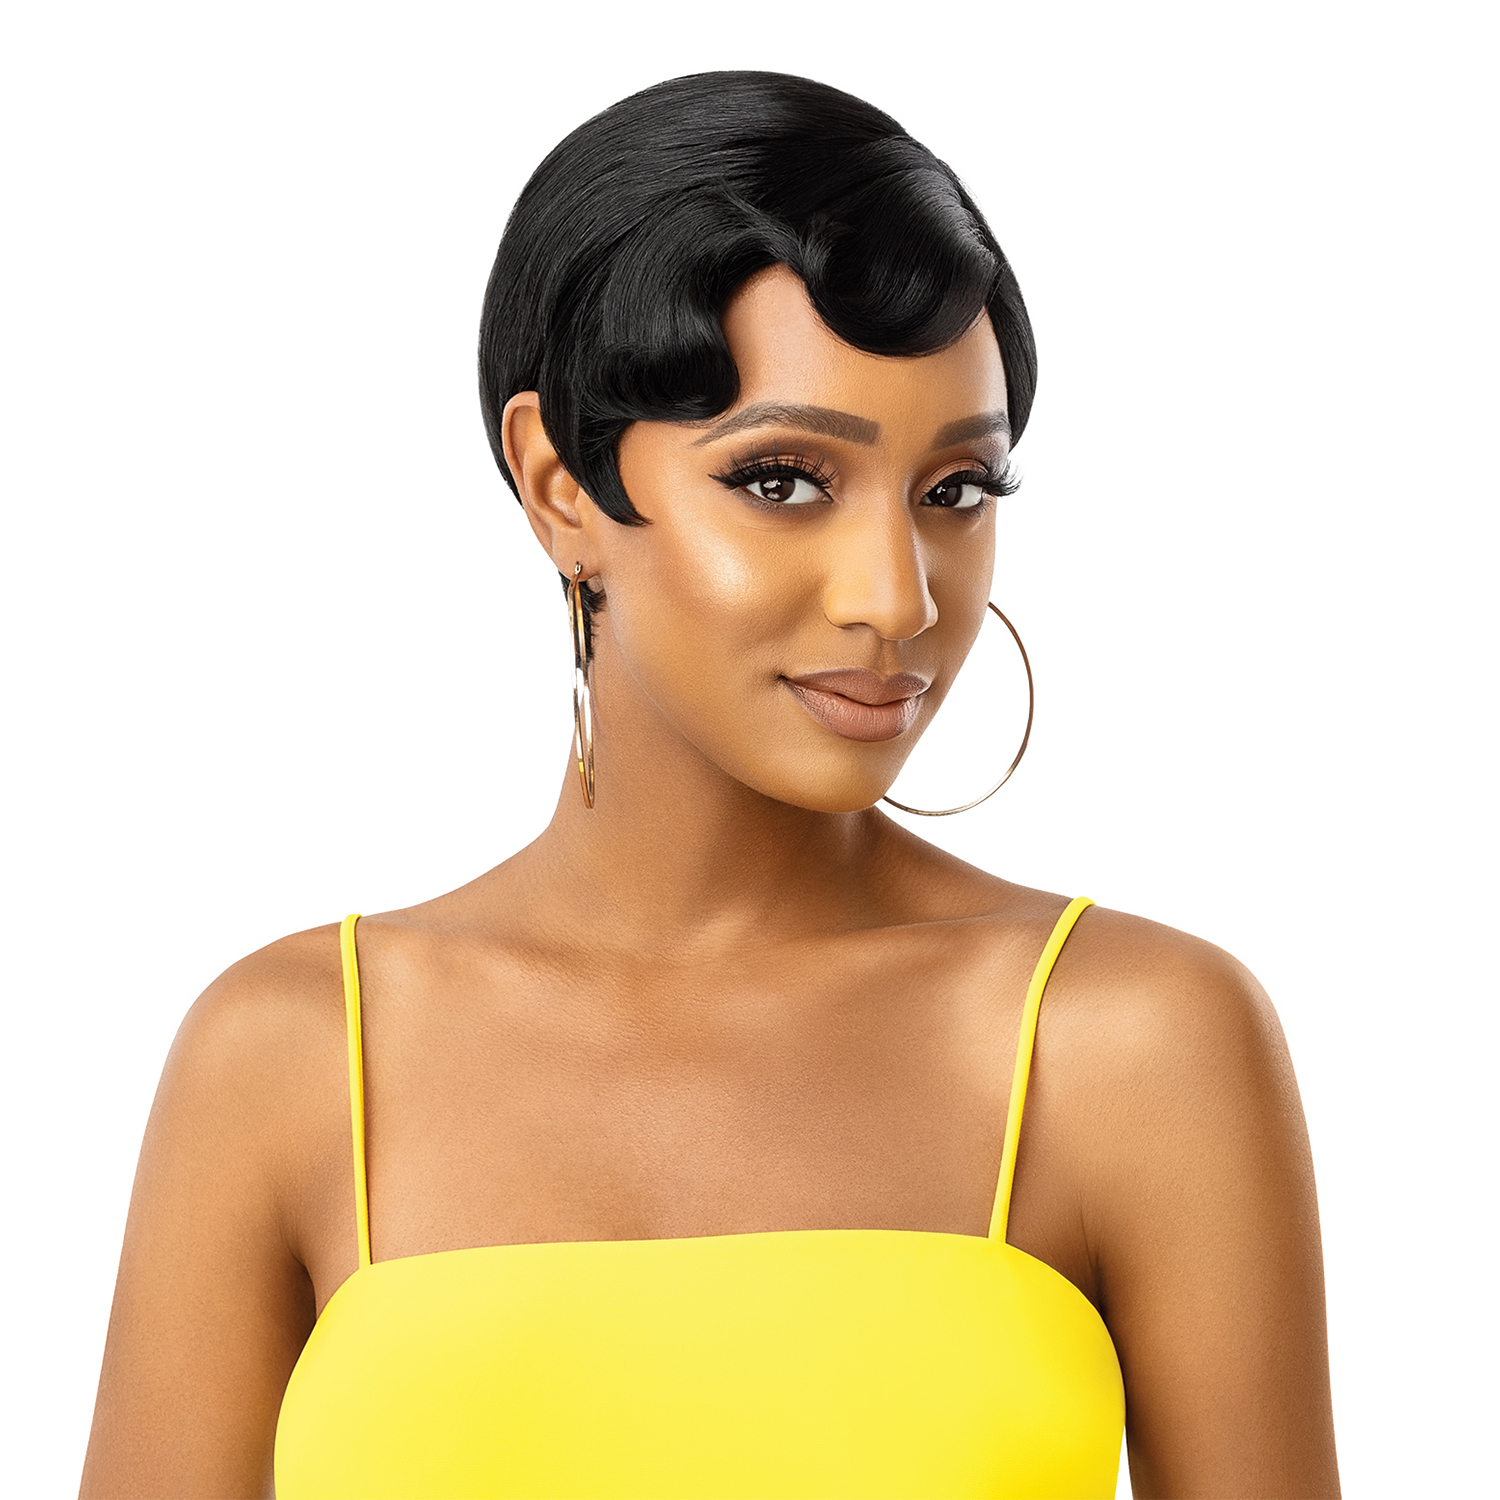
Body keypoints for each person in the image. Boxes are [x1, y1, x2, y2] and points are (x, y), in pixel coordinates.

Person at [80, 71, 1339, 1499]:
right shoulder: (291, 1058)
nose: (897, 597)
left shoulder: (1135, 1046)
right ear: (560, 484)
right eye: (785, 480)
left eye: (955, 491)